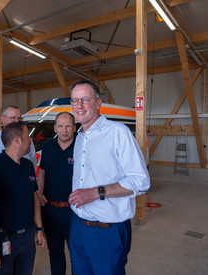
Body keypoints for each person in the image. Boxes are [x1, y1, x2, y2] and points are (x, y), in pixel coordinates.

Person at [68, 80, 150, 275]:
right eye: (74, 100)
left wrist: (95, 193)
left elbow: (141, 181)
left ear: (98, 103)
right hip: (78, 225)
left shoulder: (117, 132)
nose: (79, 106)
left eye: (85, 100)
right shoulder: (79, 137)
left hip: (106, 230)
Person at [0, 122, 46, 275]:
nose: (31, 140)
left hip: (27, 237)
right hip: (3, 239)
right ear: (17, 141)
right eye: (27, 137)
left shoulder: (27, 165)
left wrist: (39, 229)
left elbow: (35, 197)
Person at [37, 112, 76, 275]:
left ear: (74, 128)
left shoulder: (81, 146)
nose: (64, 130)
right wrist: (39, 193)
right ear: (55, 128)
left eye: (68, 126)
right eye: (60, 126)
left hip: (75, 211)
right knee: (55, 252)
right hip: (51, 210)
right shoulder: (47, 147)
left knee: (77, 254)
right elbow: (42, 172)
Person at [0, 105, 36, 170]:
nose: (17, 121)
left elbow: (32, 167)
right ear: (3, 119)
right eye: (13, 118)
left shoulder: (28, 142)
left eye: (19, 118)